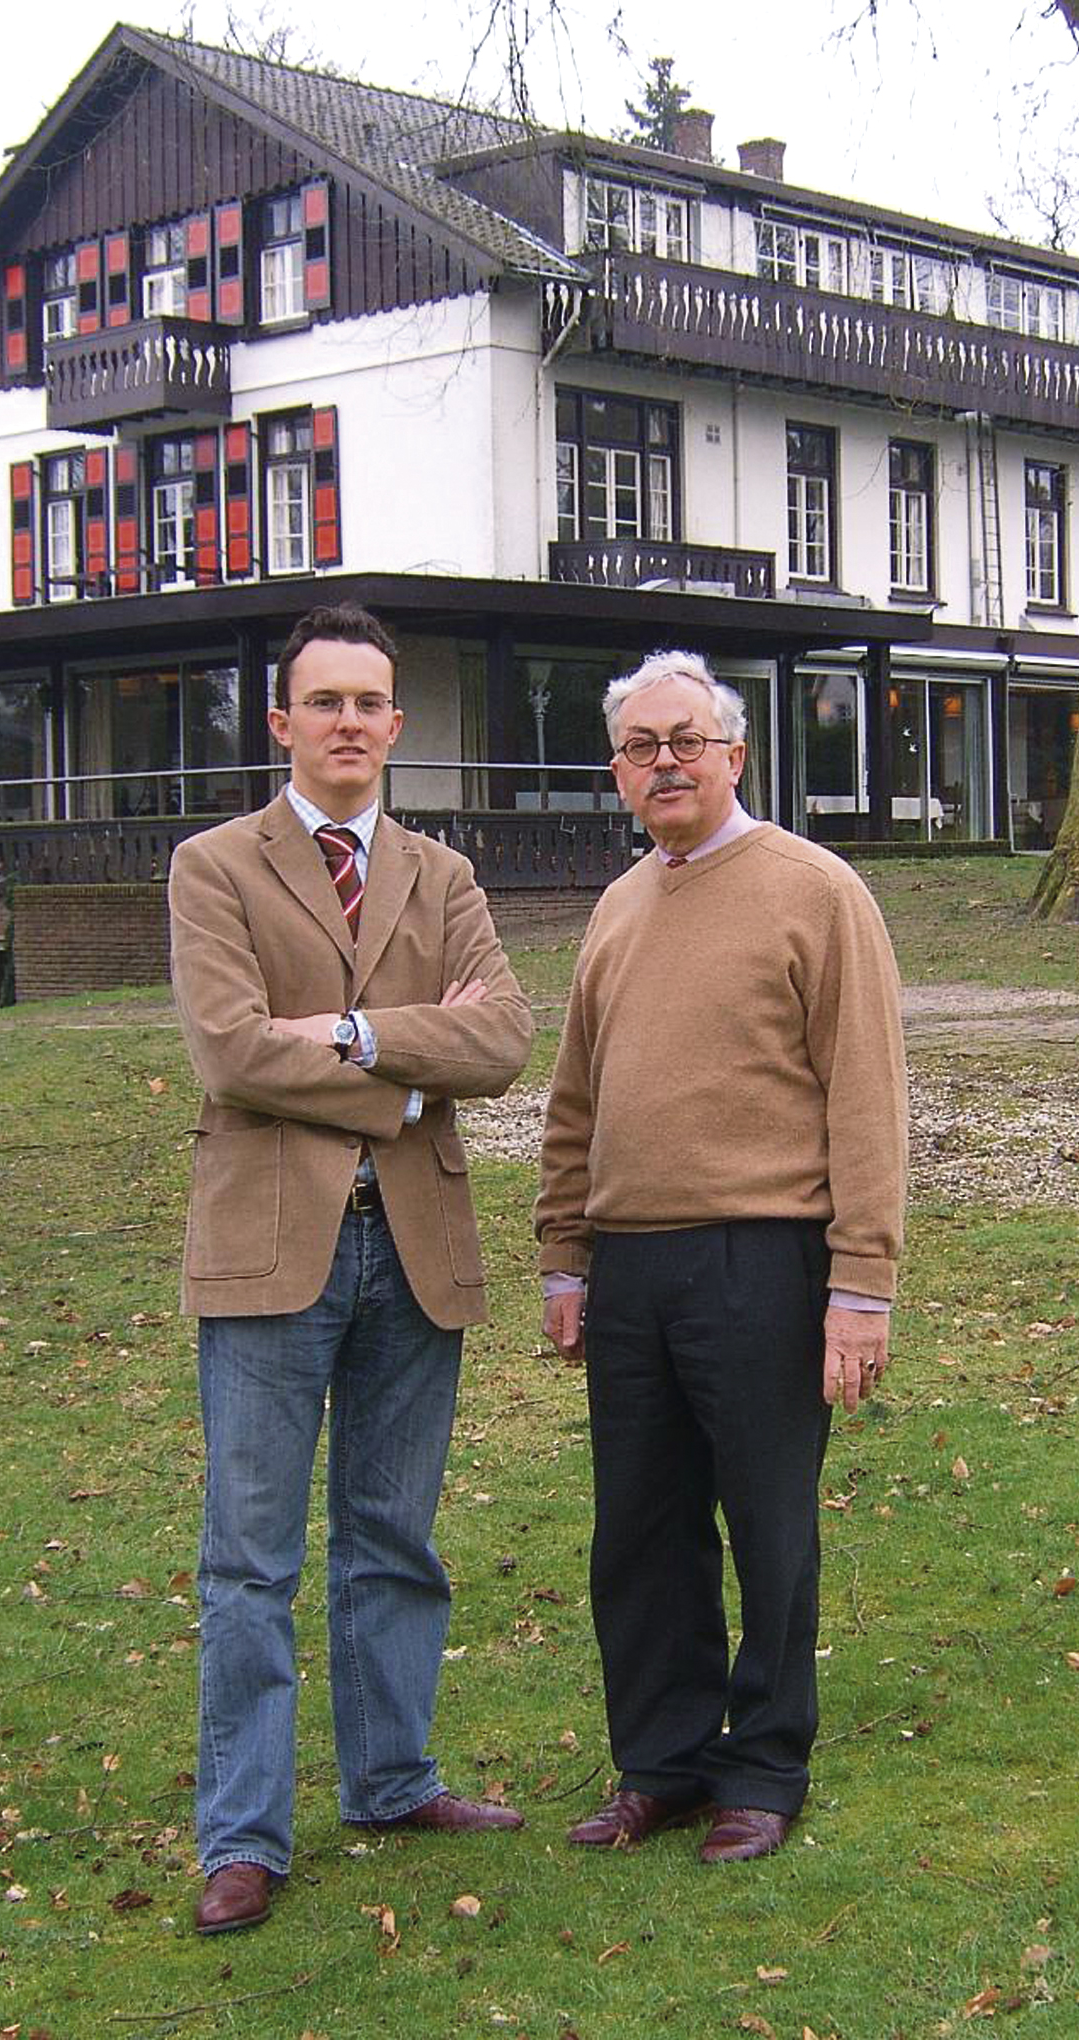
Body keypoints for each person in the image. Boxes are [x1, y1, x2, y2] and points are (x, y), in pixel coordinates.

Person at [169, 603, 535, 1935]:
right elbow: (228, 1053)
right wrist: (399, 1075)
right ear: (282, 722)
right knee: (248, 1562)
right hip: (273, 1254)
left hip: (416, 1252)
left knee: (395, 1537)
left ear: (394, 721)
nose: (349, 725)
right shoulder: (212, 867)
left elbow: (498, 1039)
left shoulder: (441, 877)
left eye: (369, 703)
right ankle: (243, 1837)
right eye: (323, 702)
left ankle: (389, 1779)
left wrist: (346, 1032)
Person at [536, 649, 908, 1865]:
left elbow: (866, 1098)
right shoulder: (617, 907)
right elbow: (576, 1096)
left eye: (686, 740)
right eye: (642, 747)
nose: (666, 764)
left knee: (766, 1524)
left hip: (764, 1260)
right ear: (618, 773)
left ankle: (764, 1766)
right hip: (631, 1271)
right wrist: (564, 1255)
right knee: (640, 1533)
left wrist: (861, 1285)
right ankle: (663, 1763)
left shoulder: (814, 890)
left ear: (734, 754)